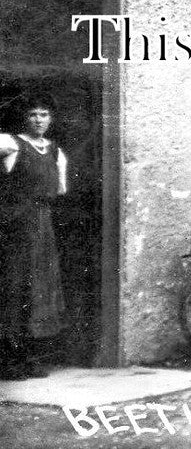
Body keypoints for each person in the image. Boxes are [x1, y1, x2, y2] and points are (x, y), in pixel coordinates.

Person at [0, 96, 68, 380]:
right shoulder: (10, 143)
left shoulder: (55, 151)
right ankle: (9, 361)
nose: (38, 120)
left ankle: (29, 358)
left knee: (39, 289)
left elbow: (60, 188)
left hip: (42, 226)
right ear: (24, 118)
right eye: (32, 114)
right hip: (14, 224)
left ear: (51, 119)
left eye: (44, 114)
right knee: (13, 287)